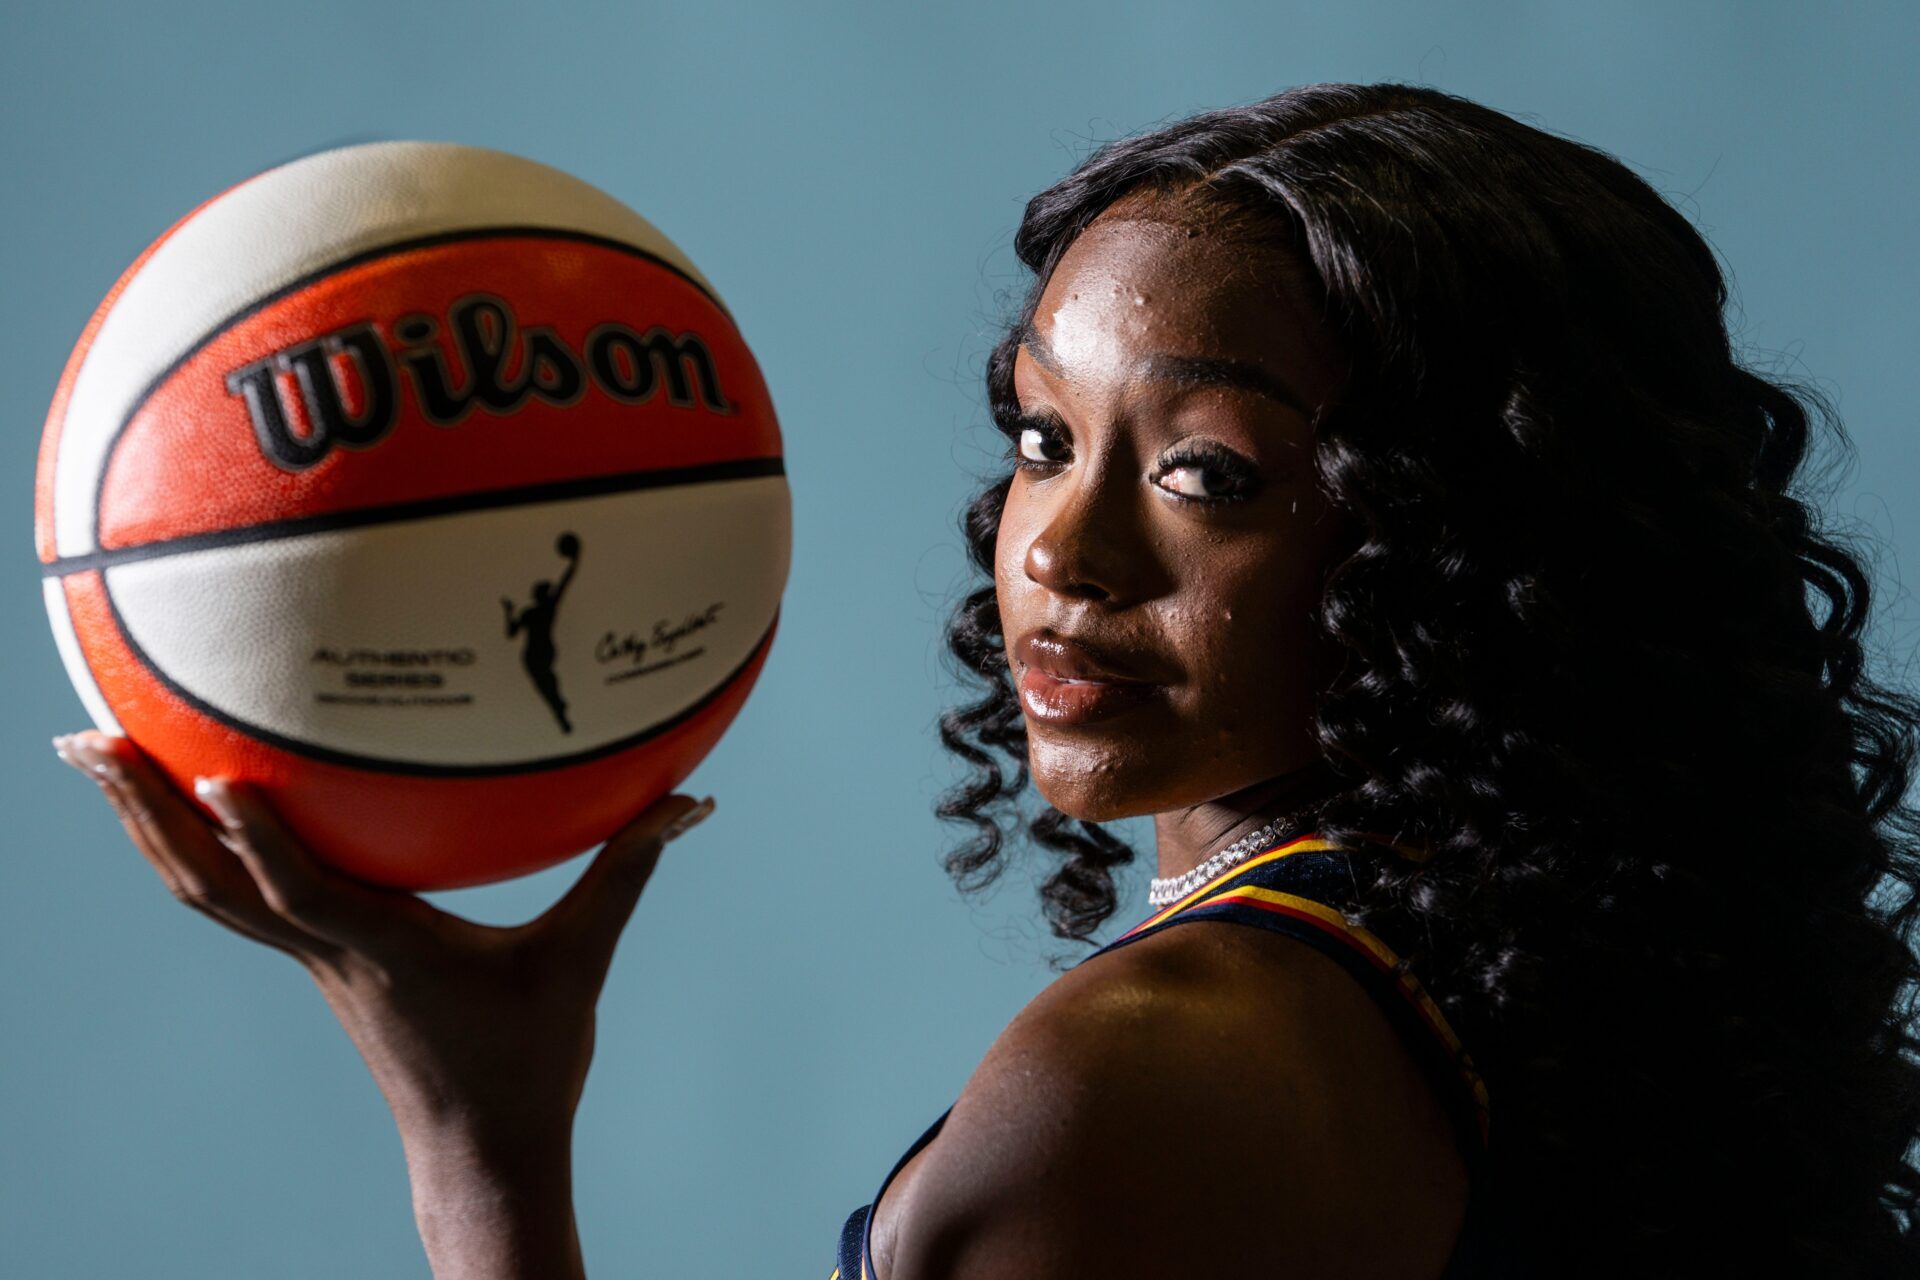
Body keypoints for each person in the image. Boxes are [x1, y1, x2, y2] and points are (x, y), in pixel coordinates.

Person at [50, 81, 1920, 1277]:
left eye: (1206, 475)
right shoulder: (1535, 991)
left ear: (1466, 542)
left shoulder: (1154, 1086)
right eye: (1040, 436)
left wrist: (474, 1157)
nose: (1063, 548)